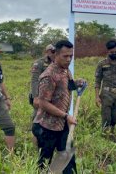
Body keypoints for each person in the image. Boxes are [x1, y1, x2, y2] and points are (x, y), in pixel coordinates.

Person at [34, 40, 85, 173]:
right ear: (56, 54)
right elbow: (43, 103)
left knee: (68, 159)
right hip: (47, 128)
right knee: (45, 164)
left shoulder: (65, 70)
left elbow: (67, 86)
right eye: (65, 56)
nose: (69, 59)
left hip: (62, 125)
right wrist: (66, 116)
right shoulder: (48, 76)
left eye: (71, 56)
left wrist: (77, 83)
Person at [30, 44, 56, 145]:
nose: (55, 54)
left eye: (56, 52)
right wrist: (36, 97)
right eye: (53, 52)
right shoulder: (39, 63)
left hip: (53, 97)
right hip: (41, 97)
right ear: (47, 52)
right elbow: (34, 81)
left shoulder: (58, 62)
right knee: (37, 122)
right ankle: (36, 147)